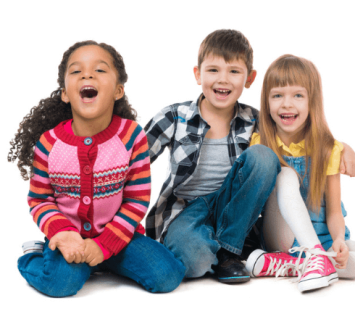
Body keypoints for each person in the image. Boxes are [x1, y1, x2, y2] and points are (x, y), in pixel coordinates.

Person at [9, 41, 185, 297]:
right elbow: (40, 200)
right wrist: (63, 234)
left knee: (167, 276)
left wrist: (104, 246)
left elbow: (136, 200)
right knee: (61, 283)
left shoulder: (132, 136)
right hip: (70, 241)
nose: (87, 74)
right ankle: (36, 256)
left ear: (118, 90)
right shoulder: (49, 143)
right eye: (76, 71)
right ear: (65, 93)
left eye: (100, 70)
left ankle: (108, 261)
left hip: (120, 237)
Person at [144, 29, 282, 283]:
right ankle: (230, 248)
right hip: (187, 210)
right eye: (213, 70)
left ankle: (229, 250)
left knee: (264, 157)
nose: (223, 79)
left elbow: (297, 147)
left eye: (234, 71)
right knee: (193, 263)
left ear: (249, 78)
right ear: (198, 74)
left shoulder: (256, 120)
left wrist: (335, 147)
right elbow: (133, 161)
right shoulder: (175, 116)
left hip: (234, 209)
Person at [246, 55, 355, 292]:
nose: (287, 104)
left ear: (311, 101)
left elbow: (335, 212)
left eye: (298, 95)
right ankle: (312, 257)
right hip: (284, 237)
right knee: (285, 176)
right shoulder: (260, 145)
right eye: (277, 95)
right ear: (267, 101)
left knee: (351, 261)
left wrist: (338, 240)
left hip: (323, 236)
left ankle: (296, 264)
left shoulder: (328, 149)